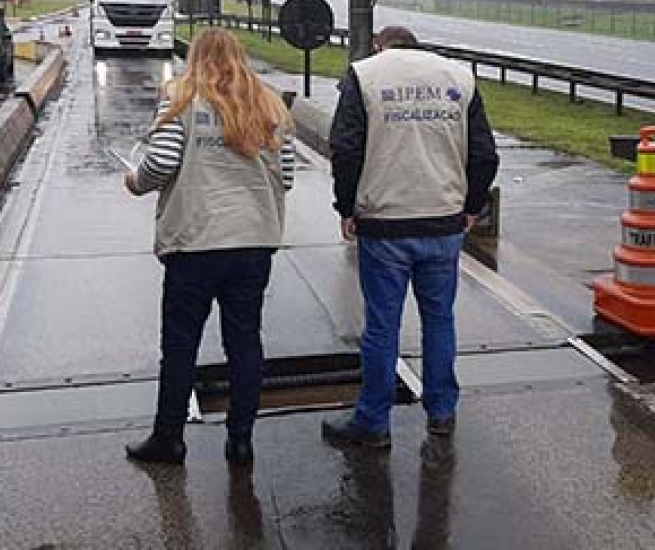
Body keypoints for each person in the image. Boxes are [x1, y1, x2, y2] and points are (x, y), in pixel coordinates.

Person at [123, 28, 295, 466]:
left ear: (196, 57)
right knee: (244, 342)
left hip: (195, 242)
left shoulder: (181, 97)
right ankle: (240, 440)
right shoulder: (268, 102)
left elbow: (160, 162)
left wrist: (134, 181)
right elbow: (286, 176)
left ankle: (168, 439)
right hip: (254, 241)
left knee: (181, 344)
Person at [322, 26, 499, 447]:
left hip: (384, 222)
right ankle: (441, 412)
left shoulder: (364, 76)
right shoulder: (459, 78)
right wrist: (471, 206)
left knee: (382, 327)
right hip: (443, 221)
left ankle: (373, 422)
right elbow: (485, 154)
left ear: (381, 46)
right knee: (440, 320)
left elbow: (344, 149)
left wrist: (346, 208)